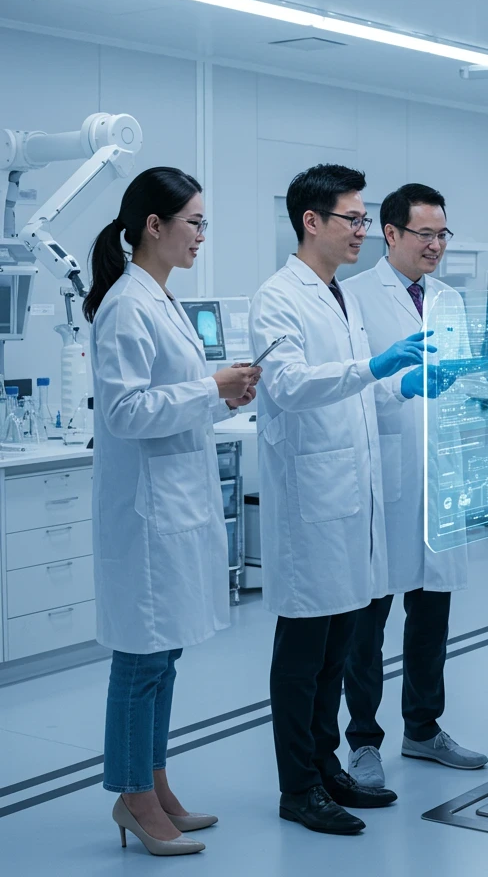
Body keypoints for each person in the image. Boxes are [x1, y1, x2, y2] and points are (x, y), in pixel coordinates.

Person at [250, 164, 443, 836]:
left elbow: (358, 389)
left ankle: (327, 768)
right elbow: (291, 384)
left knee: (336, 650)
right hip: (312, 502)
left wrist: (404, 384)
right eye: (354, 219)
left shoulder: (340, 296)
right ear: (312, 221)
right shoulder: (278, 297)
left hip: (351, 497)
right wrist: (375, 368)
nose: (363, 229)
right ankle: (297, 787)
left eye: (363, 219)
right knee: (302, 656)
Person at [86, 167, 261, 856]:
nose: (201, 236)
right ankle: (132, 797)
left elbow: (176, 396)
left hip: (175, 505)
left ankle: (154, 783)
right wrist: (208, 390)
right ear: (153, 226)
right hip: (145, 513)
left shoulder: (160, 299)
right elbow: (124, 412)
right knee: (140, 660)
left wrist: (221, 393)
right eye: (193, 222)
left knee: (165, 657)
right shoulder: (127, 306)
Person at [342, 184, 488, 788]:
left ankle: (424, 730)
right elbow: (346, 391)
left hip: (441, 478)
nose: (436, 245)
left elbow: (459, 384)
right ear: (391, 234)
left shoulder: (450, 299)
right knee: (367, 624)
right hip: (384, 478)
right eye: (424, 234)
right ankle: (364, 741)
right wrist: (402, 387)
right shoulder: (351, 298)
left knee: (432, 618)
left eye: (442, 234)